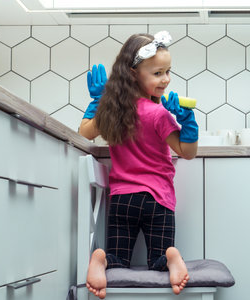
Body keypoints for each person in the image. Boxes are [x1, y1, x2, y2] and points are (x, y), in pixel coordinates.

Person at [79, 31, 198, 299]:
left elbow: (84, 131)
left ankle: (102, 259)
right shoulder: (158, 114)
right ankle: (170, 257)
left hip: (123, 200)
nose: (166, 79)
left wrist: (98, 101)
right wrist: (188, 122)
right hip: (159, 200)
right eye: (157, 73)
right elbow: (187, 152)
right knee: (157, 261)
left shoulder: (113, 111)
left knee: (119, 260)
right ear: (134, 73)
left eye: (168, 71)